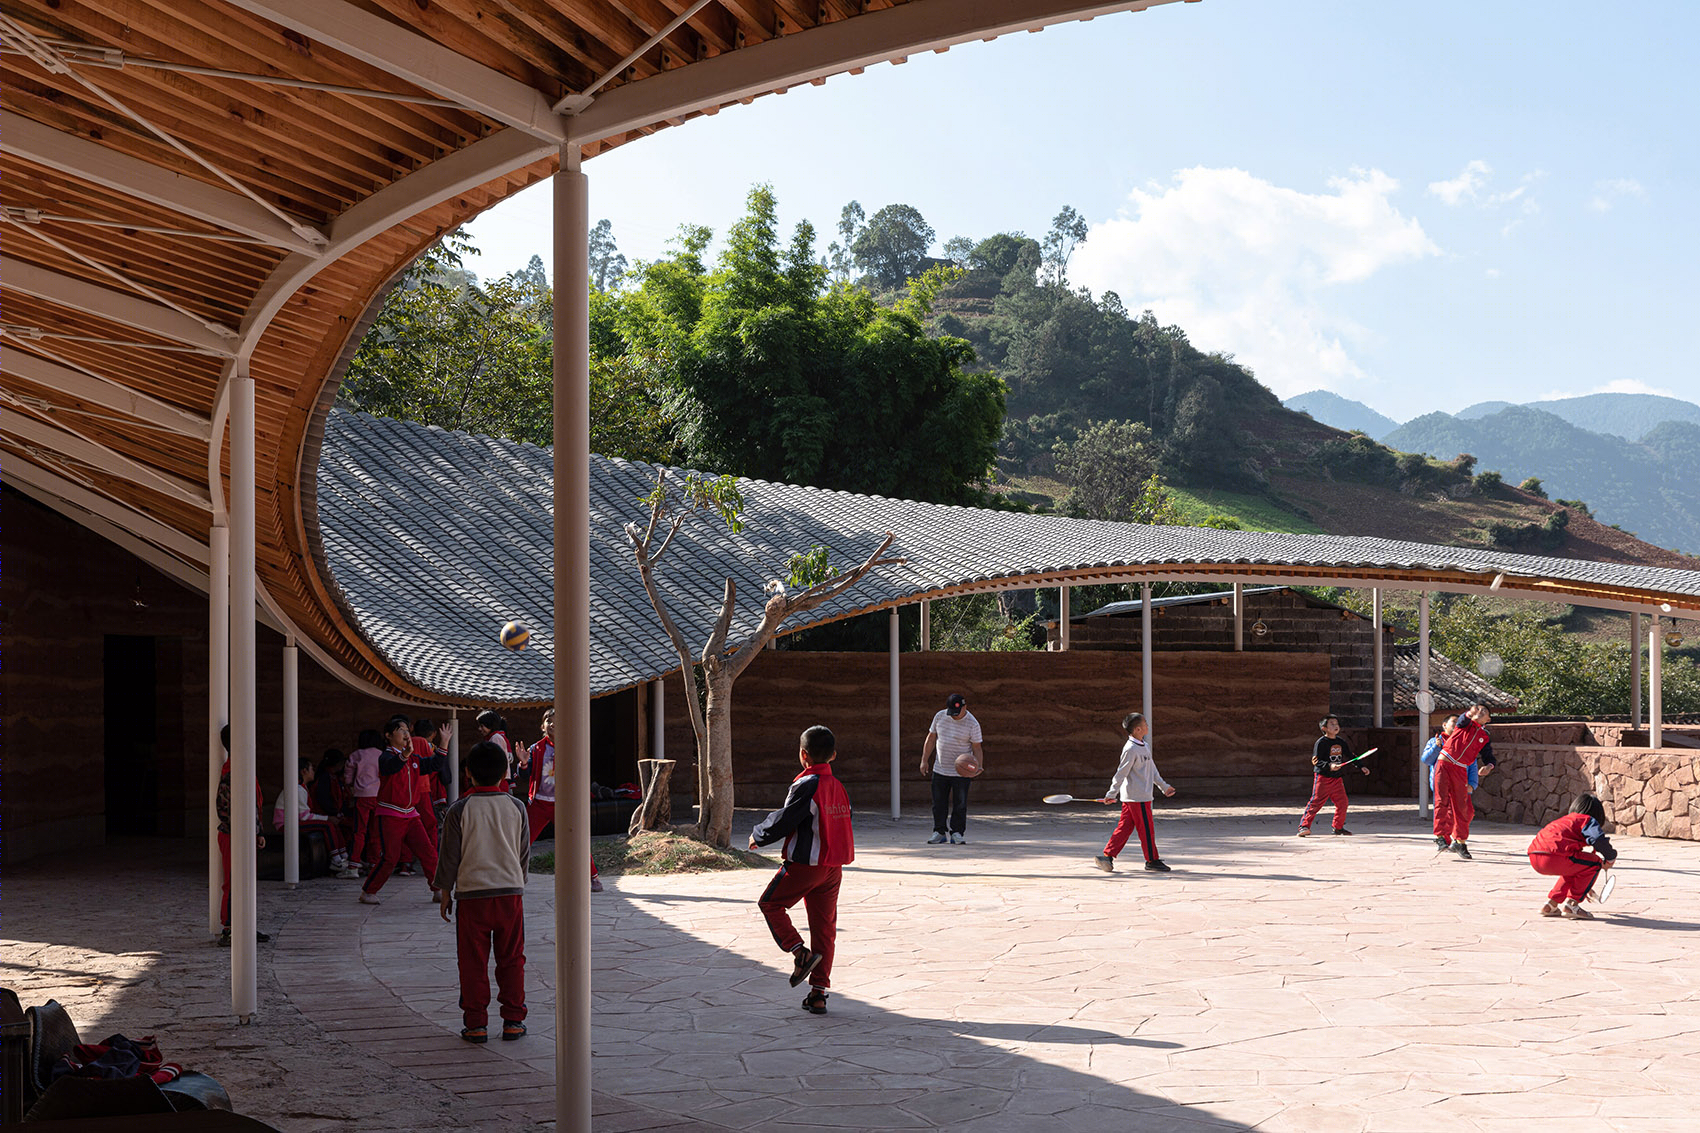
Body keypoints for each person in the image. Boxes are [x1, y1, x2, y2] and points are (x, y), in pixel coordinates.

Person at [751, 725, 854, 1016]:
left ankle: (799, 952)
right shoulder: (839, 787)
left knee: (770, 904)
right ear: (833, 755)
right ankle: (818, 994)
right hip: (833, 868)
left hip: (806, 865)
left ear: (803, 755)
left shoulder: (806, 783)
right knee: (825, 929)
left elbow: (786, 818)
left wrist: (759, 835)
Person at [434, 740, 531, 1043]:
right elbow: (523, 852)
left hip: (472, 897)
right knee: (512, 959)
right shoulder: (516, 807)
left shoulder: (459, 810)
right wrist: (518, 881)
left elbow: (449, 856)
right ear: (505, 773)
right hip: (509, 895)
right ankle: (513, 1020)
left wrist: (445, 891)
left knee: (472, 961)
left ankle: (475, 1024)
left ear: (467, 773)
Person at [360, 716, 447, 905]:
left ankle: (437, 889)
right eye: (401, 730)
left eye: (408, 731)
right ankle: (368, 891)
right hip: (390, 814)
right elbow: (391, 767)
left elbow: (433, 766)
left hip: (411, 815)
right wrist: (405, 754)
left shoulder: (413, 758)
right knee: (390, 857)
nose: (406, 734)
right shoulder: (385, 757)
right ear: (389, 735)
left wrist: (444, 744)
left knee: (429, 853)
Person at [1094, 712, 1176, 873]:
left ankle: (1107, 856)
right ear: (1138, 729)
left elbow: (1152, 770)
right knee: (1146, 829)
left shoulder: (1144, 746)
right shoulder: (1130, 749)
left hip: (1139, 797)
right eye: (1145, 723)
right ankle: (1152, 860)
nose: (1148, 725)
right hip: (1137, 798)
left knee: (1124, 828)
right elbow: (1121, 773)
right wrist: (1111, 794)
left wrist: (1164, 786)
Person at [215, 724, 269, 946]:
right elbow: (226, 807)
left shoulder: (241, 767)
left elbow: (252, 805)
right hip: (234, 835)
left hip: (244, 833)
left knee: (245, 881)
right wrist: (247, 831)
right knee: (233, 881)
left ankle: (245, 925)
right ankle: (229, 928)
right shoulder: (232, 770)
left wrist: (257, 830)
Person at [1528, 793, 1618, 919]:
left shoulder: (1564, 820)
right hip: (1555, 856)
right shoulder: (1587, 820)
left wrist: (1583, 886)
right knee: (1595, 863)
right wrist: (1610, 857)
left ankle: (1551, 904)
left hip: (1534, 856)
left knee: (1575, 866)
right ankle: (1572, 905)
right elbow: (1598, 839)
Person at [275, 755, 360, 878]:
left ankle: (344, 857)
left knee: (333, 825)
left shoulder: (302, 788)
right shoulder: (297, 790)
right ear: (304, 771)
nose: (313, 772)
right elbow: (304, 816)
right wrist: (327, 818)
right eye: (311, 769)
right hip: (286, 824)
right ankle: (336, 860)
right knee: (328, 825)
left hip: (295, 821)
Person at [920, 692, 983, 845]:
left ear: (965, 707)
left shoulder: (972, 723)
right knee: (938, 803)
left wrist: (978, 766)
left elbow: (977, 747)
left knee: (960, 804)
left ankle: (957, 833)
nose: (954, 716)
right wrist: (924, 760)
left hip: (961, 772)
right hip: (940, 768)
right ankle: (939, 832)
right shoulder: (940, 716)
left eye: (957, 712)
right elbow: (931, 738)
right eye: (951, 712)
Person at [1434, 704, 1493, 859]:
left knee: (1462, 805)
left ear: (1489, 719)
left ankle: (1460, 842)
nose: (1481, 712)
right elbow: (1461, 720)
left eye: (1484, 712)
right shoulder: (1464, 724)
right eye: (1478, 709)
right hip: (1445, 763)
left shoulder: (1484, 736)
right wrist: (1469, 713)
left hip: (1460, 769)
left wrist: (1489, 766)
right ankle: (1440, 837)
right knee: (1442, 800)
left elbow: (1488, 756)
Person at [1298, 714, 1368, 837]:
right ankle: (1304, 826)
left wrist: (1361, 766)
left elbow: (1351, 756)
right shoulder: (1321, 743)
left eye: (1336, 724)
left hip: (1337, 779)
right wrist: (1329, 766)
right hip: (1323, 778)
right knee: (1316, 802)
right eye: (1332, 724)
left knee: (1343, 803)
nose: (1335, 726)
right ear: (1324, 728)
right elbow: (1316, 761)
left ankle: (1338, 827)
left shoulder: (1341, 742)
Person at [1421, 717, 1497, 796]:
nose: (1457, 724)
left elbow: (1472, 765)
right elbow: (1426, 760)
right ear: (1444, 725)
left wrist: (1472, 785)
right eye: (1454, 721)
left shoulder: (1466, 744)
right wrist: (1436, 747)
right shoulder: (1434, 742)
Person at [345, 730, 384, 872]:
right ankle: (374, 863)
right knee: (376, 831)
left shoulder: (356, 755)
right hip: (378, 796)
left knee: (359, 831)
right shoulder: (381, 754)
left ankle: (353, 864)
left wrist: (350, 785)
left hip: (361, 797)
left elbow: (348, 777)